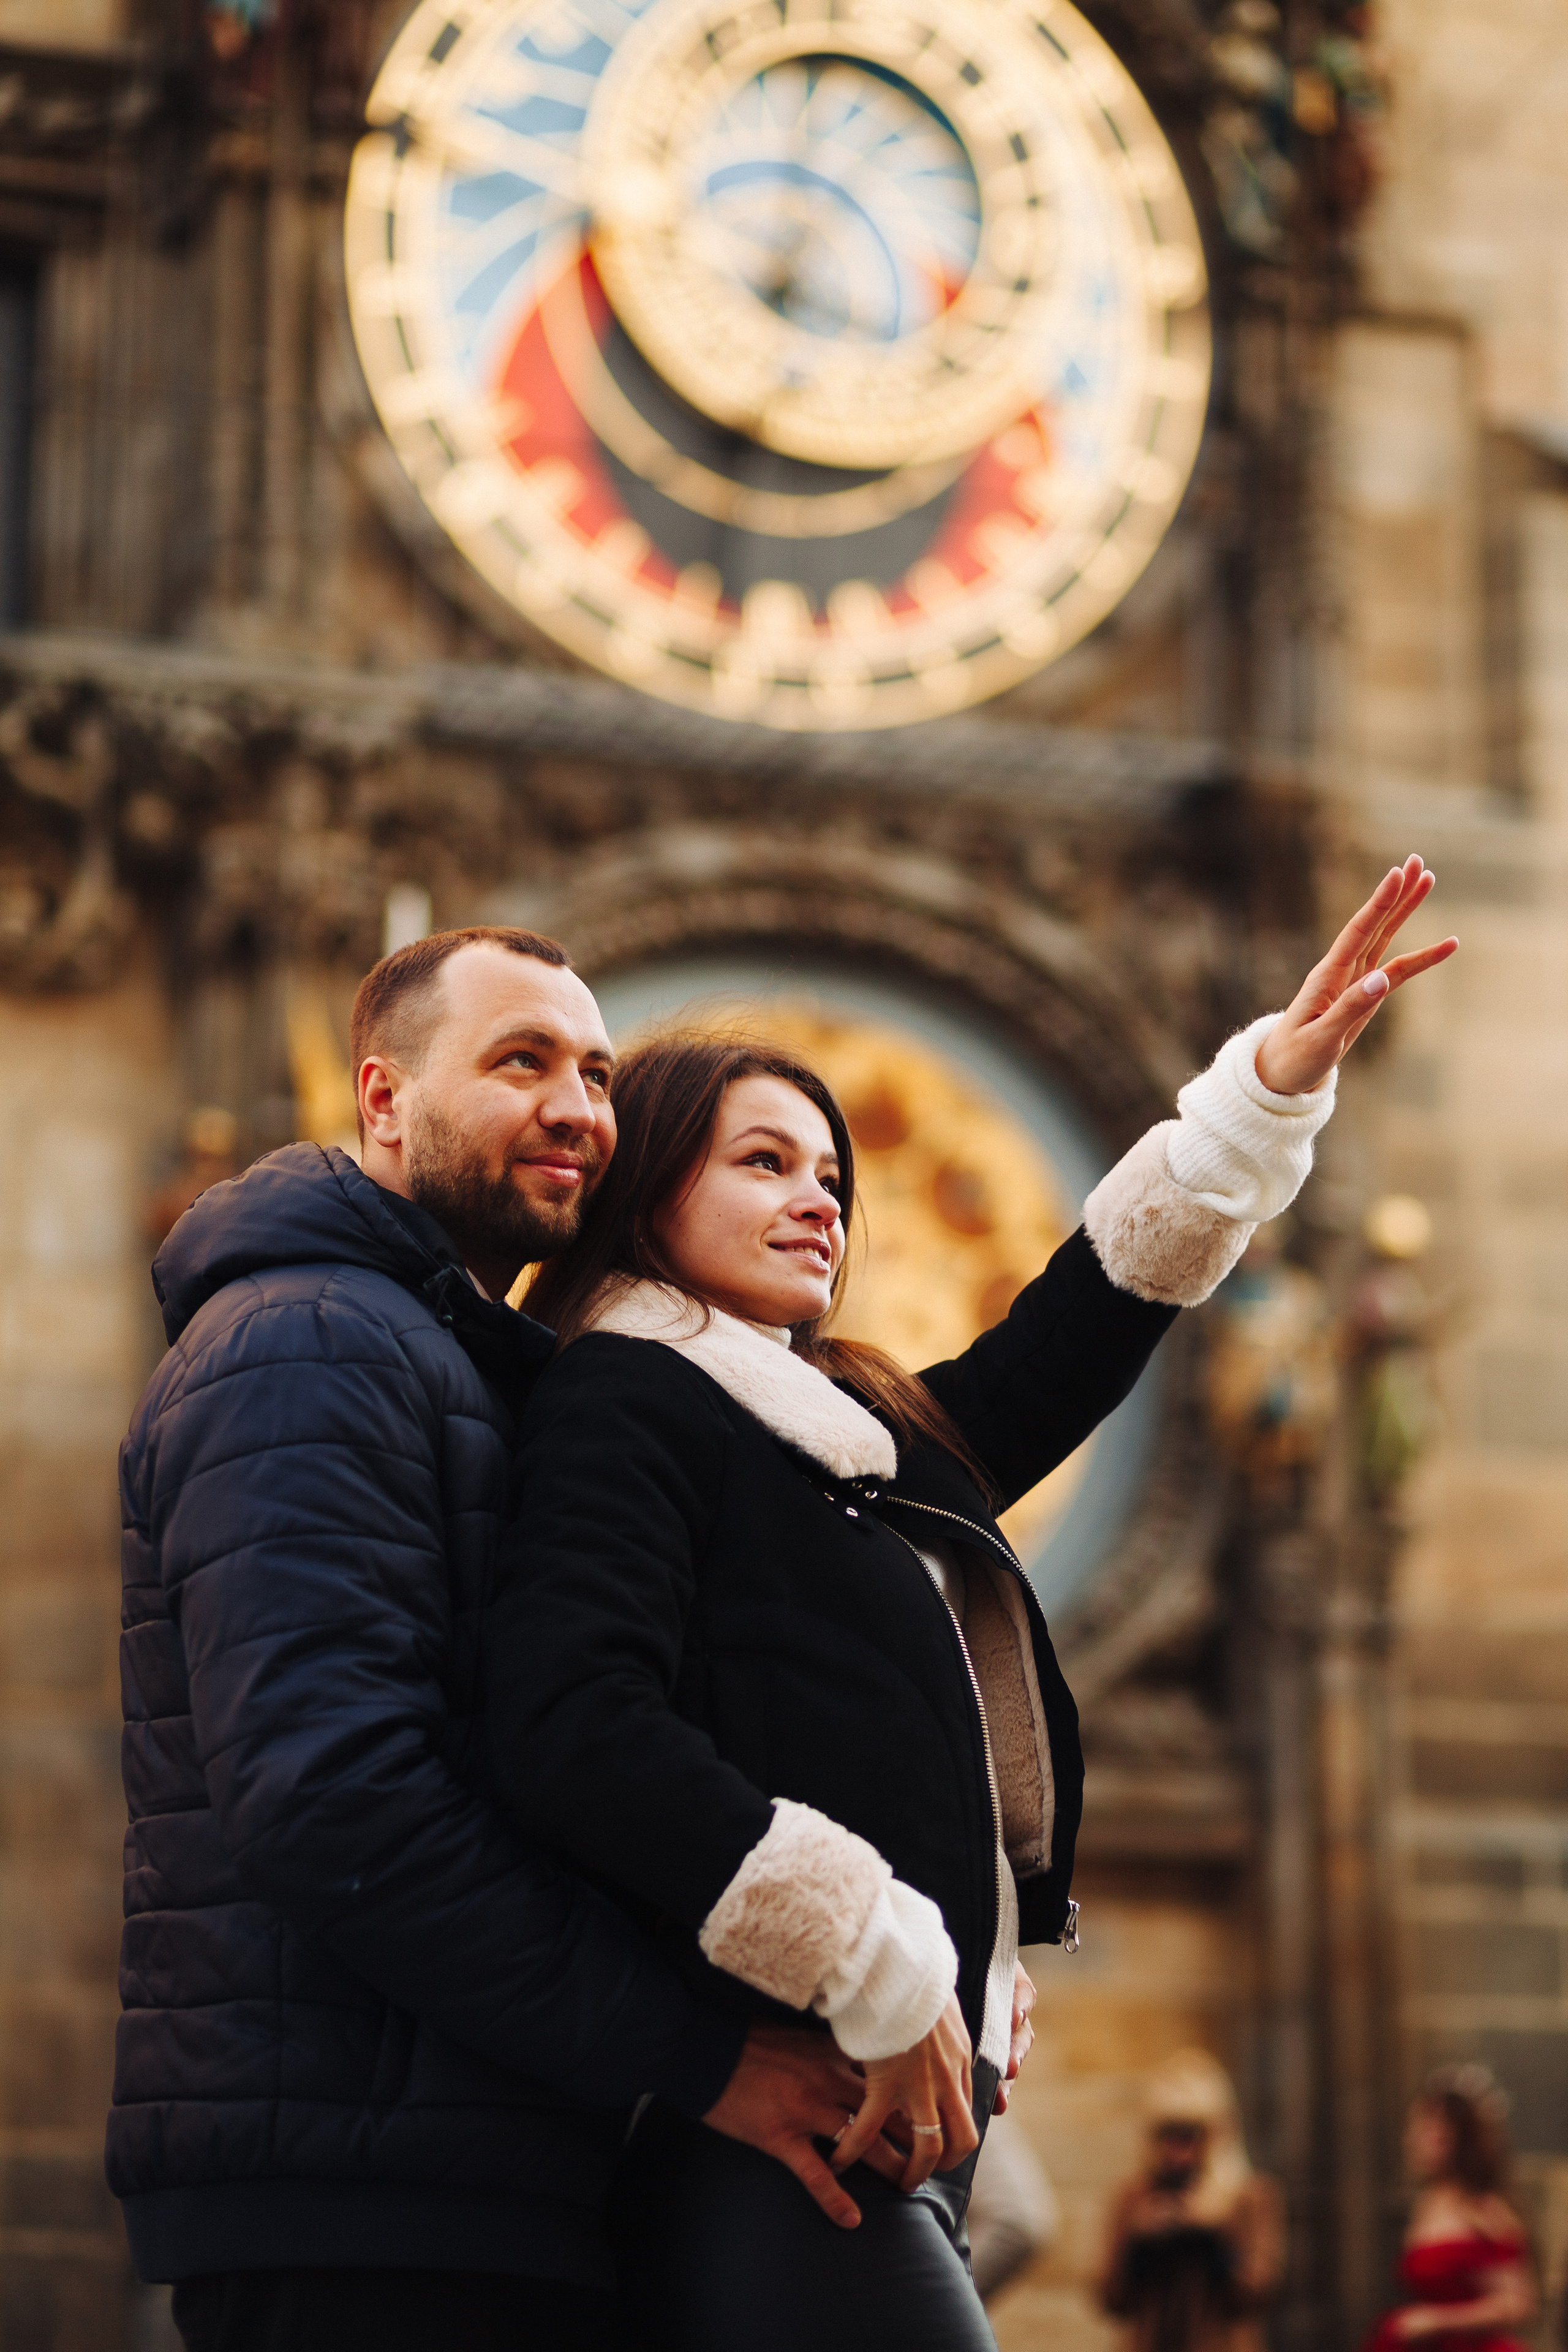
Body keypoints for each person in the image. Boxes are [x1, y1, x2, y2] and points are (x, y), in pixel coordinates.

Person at [483, 861, 1454, 2350]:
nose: (816, 1196)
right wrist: (873, 1956)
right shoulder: (625, 1398)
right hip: (786, 2126)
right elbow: (576, 1727)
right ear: (647, 1190)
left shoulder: (839, 1433)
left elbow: (1069, 1335)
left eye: (829, 1173)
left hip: (899, 2119)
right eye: (761, 1161)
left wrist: (1257, 1096)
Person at [110, 927, 896, 2352]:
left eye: (594, 1072)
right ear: (383, 1097)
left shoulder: (462, 1360)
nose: (577, 1108)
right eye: (521, 1061)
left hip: (467, 2163)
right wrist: (701, 2055)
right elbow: (334, 1797)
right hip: (367, 2202)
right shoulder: (308, 1340)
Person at [1099, 2049, 1284, 2352]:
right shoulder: (1134, 2197)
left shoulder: (1248, 2196)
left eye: (1189, 2135)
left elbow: (1258, 2292)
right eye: (1168, 2134)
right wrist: (1139, 2244)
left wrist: (1213, 2235)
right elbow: (1111, 2298)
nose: (1177, 2149)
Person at [1362, 2069, 1535, 2352]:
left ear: (1457, 2138)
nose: (1412, 2141)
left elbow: (1517, 2303)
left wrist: (1436, 2321)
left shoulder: (1483, 2208)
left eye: (1427, 2131)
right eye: (1413, 2130)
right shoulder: (1427, 2202)